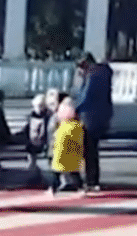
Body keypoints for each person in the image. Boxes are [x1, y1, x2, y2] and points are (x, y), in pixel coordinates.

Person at [73, 52, 113, 192]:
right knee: (93, 149)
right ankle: (93, 179)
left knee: (88, 150)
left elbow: (85, 96)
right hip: (102, 115)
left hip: (88, 116)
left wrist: (73, 108)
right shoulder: (104, 73)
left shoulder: (91, 75)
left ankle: (90, 180)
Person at [48, 97, 85, 196]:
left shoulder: (60, 122)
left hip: (60, 150)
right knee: (74, 172)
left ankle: (53, 189)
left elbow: (53, 134)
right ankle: (81, 188)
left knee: (56, 172)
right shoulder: (77, 124)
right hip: (73, 152)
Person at [20, 93, 51, 187]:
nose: (38, 108)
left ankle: (36, 174)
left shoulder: (46, 117)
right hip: (33, 142)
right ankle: (32, 173)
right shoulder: (32, 116)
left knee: (40, 161)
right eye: (37, 106)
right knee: (32, 159)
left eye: (40, 106)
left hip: (41, 142)